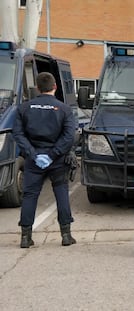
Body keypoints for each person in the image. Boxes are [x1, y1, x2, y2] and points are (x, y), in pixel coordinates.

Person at [12, 72, 77, 248]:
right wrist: (53, 154)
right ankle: (66, 235)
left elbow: (18, 133)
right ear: (55, 87)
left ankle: (25, 237)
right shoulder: (64, 109)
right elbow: (69, 136)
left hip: (34, 160)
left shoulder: (24, 108)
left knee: (30, 196)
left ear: (37, 88)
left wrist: (33, 154)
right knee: (61, 193)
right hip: (57, 160)